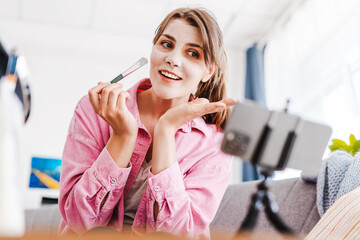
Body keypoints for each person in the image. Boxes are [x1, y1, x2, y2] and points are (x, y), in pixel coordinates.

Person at [59, 7, 237, 239]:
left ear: (208, 71)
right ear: (153, 48)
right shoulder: (95, 110)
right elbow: (78, 221)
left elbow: (183, 234)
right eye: (166, 44)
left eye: (193, 53)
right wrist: (123, 136)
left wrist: (165, 131)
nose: (173, 60)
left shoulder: (215, 143)